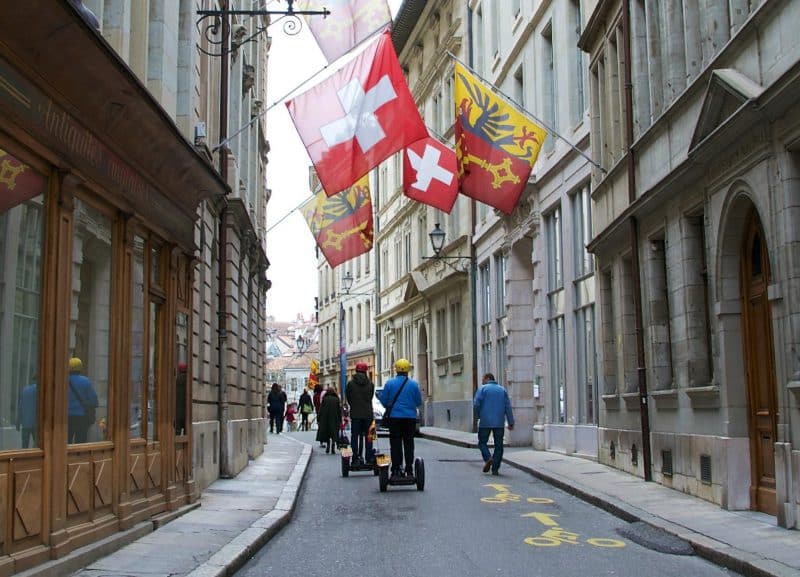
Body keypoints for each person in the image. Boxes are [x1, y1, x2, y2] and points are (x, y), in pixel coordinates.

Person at [379, 358, 422, 479]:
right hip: (409, 418)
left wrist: (391, 407)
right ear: (408, 370)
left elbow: (384, 400)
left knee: (395, 443)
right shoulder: (414, 385)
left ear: (396, 369)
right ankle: (409, 468)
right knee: (409, 442)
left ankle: (396, 468)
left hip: (394, 418)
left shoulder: (389, 383)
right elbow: (418, 401)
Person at [473, 372, 515, 476]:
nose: (482, 381)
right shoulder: (502, 390)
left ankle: (488, 458)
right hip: (499, 422)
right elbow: (508, 407)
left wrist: (478, 415)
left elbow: (476, 404)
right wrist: (510, 422)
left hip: (485, 422)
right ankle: (495, 468)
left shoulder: (482, 389)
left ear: (487, 378)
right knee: (499, 445)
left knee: (482, 442)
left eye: (483, 379)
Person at [345, 362, 375, 465]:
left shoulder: (350, 384)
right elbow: (370, 397)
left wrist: (354, 406)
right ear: (366, 371)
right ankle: (369, 457)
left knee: (354, 436)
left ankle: (355, 458)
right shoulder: (371, 384)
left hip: (355, 414)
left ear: (356, 371)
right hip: (368, 414)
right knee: (369, 436)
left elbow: (348, 398)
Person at [67, 357, 99, 444]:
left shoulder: (63, 381)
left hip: (66, 417)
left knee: (66, 442)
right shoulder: (85, 381)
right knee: (80, 442)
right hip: (81, 417)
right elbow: (93, 399)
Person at [316, 386, 342, 454]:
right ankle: (333, 447)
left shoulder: (325, 399)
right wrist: (340, 419)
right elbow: (339, 410)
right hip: (334, 418)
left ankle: (328, 447)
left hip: (325, 419)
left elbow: (321, 409)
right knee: (334, 433)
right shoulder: (336, 399)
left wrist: (318, 418)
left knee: (327, 433)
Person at [16, 375, 38, 449]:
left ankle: (24, 458)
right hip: (36, 423)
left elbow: (20, 407)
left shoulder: (25, 390)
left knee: (24, 444)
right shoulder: (39, 390)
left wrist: (18, 421)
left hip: (25, 422)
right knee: (38, 444)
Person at [175, 362, 187, 435]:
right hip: (186, 410)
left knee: (177, 430)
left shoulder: (177, 379)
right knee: (186, 430)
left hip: (177, 410)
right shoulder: (188, 380)